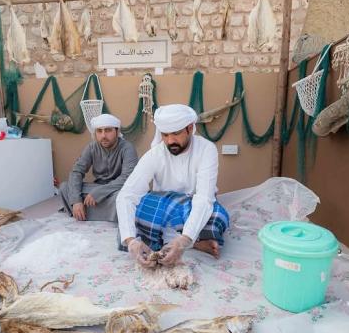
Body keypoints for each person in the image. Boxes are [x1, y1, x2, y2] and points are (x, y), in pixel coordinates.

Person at [116, 104, 230, 267]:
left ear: (190, 128)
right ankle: (196, 241)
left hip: (190, 208)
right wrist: (131, 241)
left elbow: (204, 198)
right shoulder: (155, 154)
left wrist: (184, 240)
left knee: (218, 216)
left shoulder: (206, 149)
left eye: (176, 133)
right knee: (128, 217)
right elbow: (127, 195)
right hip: (162, 207)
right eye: (165, 135)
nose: (170, 141)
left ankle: (179, 239)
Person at [59, 113, 138, 222]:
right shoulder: (92, 147)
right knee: (65, 188)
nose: (103, 135)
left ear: (117, 131)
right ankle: (85, 209)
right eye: (99, 131)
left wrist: (99, 192)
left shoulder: (127, 148)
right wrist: (76, 200)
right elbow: (77, 171)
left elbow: (127, 177)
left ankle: (85, 212)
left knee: (122, 198)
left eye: (108, 130)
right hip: (96, 187)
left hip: (116, 189)